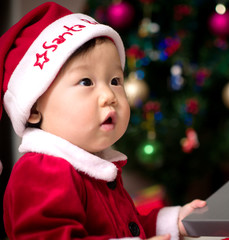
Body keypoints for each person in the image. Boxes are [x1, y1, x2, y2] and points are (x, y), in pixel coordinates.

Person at [0, 2, 207, 239]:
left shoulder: (93, 167)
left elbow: (125, 228)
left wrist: (174, 222)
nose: (109, 96)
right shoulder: (41, 171)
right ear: (34, 108)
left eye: (115, 81)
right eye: (86, 82)